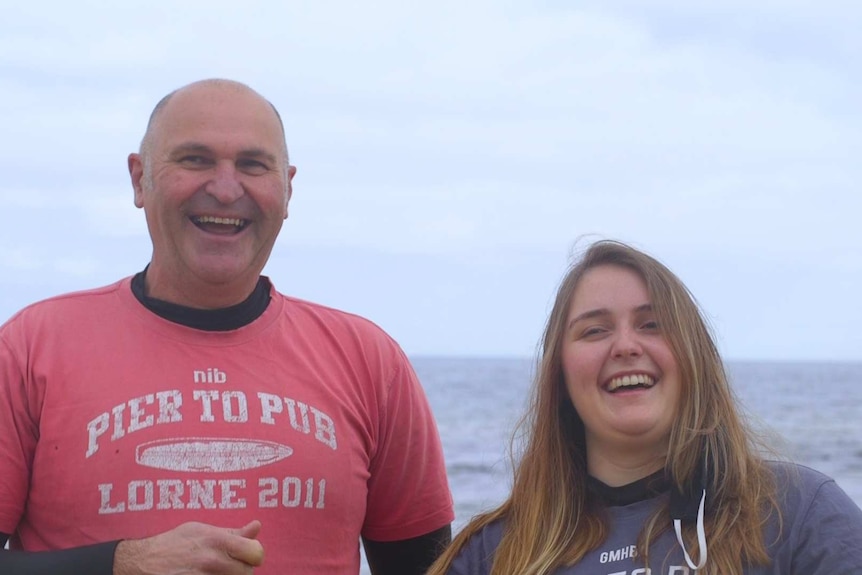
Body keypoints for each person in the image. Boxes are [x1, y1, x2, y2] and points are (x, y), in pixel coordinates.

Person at [0, 79, 454, 575]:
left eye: (253, 165)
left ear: (287, 188)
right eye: (194, 159)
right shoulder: (29, 348)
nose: (224, 187)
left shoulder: (369, 361)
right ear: (138, 179)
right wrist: (120, 563)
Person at [427, 239, 862, 575]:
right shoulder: (490, 552)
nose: (625, 346)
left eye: (652, 325)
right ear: (558, 375)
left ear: (697, 358)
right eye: (594, 331)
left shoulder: (799, 513)